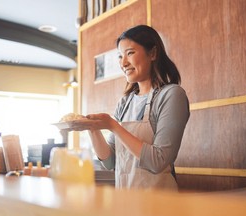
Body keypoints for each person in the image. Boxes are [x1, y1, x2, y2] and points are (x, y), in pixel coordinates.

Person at [71, 25, 190, 190]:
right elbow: (110, 161)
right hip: (126, 202)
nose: (123, 62)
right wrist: (93, 128)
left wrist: (113, 126)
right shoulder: (125, 103)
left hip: (160, 205)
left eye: (130, 53)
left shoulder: (171, 95)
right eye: (120, 56)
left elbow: (158, 161)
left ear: (153, 53)